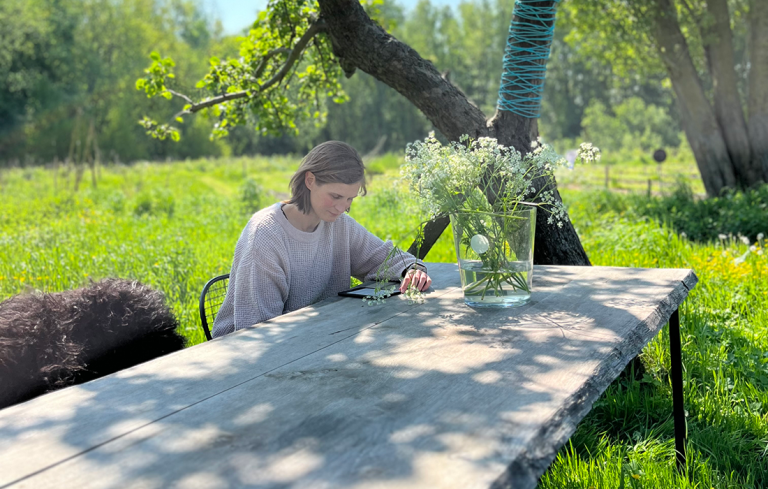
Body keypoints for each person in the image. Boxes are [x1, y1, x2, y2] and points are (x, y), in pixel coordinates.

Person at [211, 141, 431, 338]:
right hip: (250, 359)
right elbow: (258, 332)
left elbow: (385, 258)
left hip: (322, 339)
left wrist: (410, 270)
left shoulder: (339, 225)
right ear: (310, 180)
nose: (342, 207)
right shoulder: (266, 235)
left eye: (349, 199)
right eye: (335, 196)